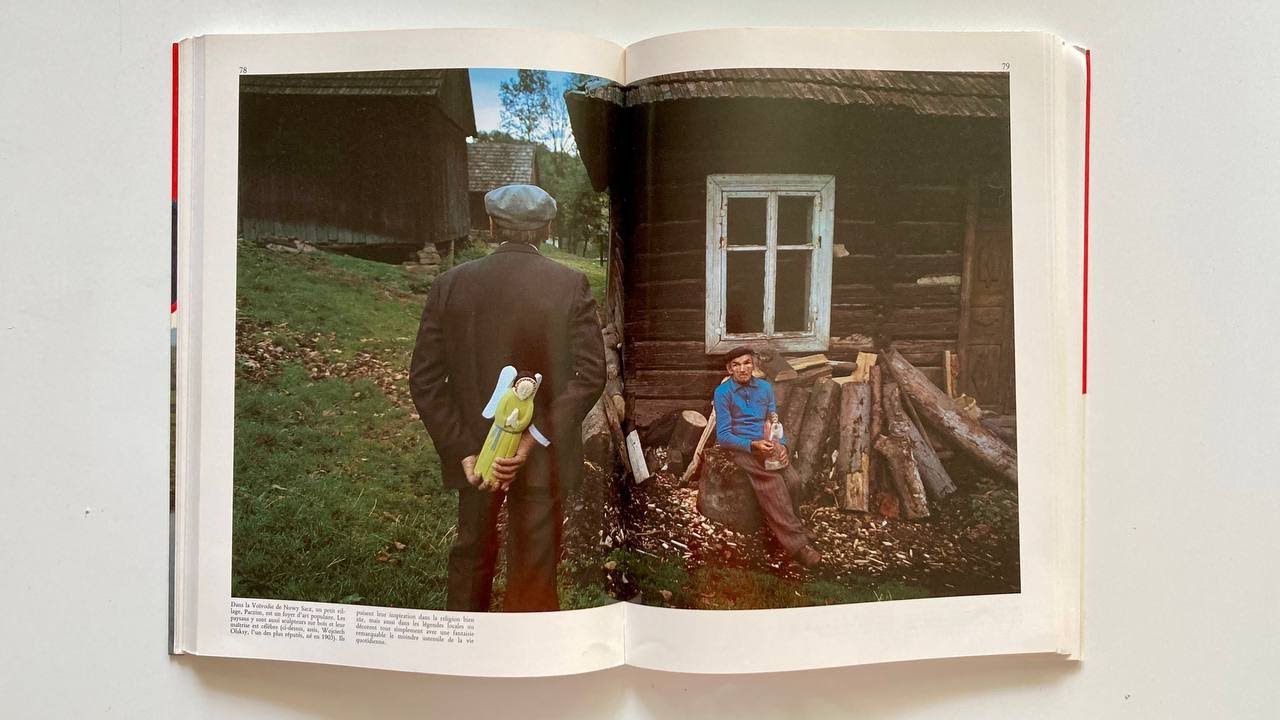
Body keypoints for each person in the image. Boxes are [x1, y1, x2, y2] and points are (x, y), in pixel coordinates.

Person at [409, 184, 606, 612]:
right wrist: (534, 436)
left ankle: (466, 653)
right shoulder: (571, 285)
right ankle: (528, 658)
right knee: (536, 562)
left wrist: (463, 449)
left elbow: (424, 381)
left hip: (476, 454)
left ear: (492, 224)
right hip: (541, 455)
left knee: (470, 551)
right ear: (548, 227)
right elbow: (591, 375)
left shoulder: (449, 285)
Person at [712, 347, 822, 568]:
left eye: (746, 363)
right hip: (740, 448)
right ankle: (797, 546)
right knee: (772, 482)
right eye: (736, 365)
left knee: (793, 480)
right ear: (729, 369)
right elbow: (723, 436)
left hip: (765, 444)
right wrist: (752, 446)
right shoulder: (722, 393)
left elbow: (773, 422)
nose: (742, 369)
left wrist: (780, 446)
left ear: (754, 365)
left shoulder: (764, 388)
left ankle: (795, 527)